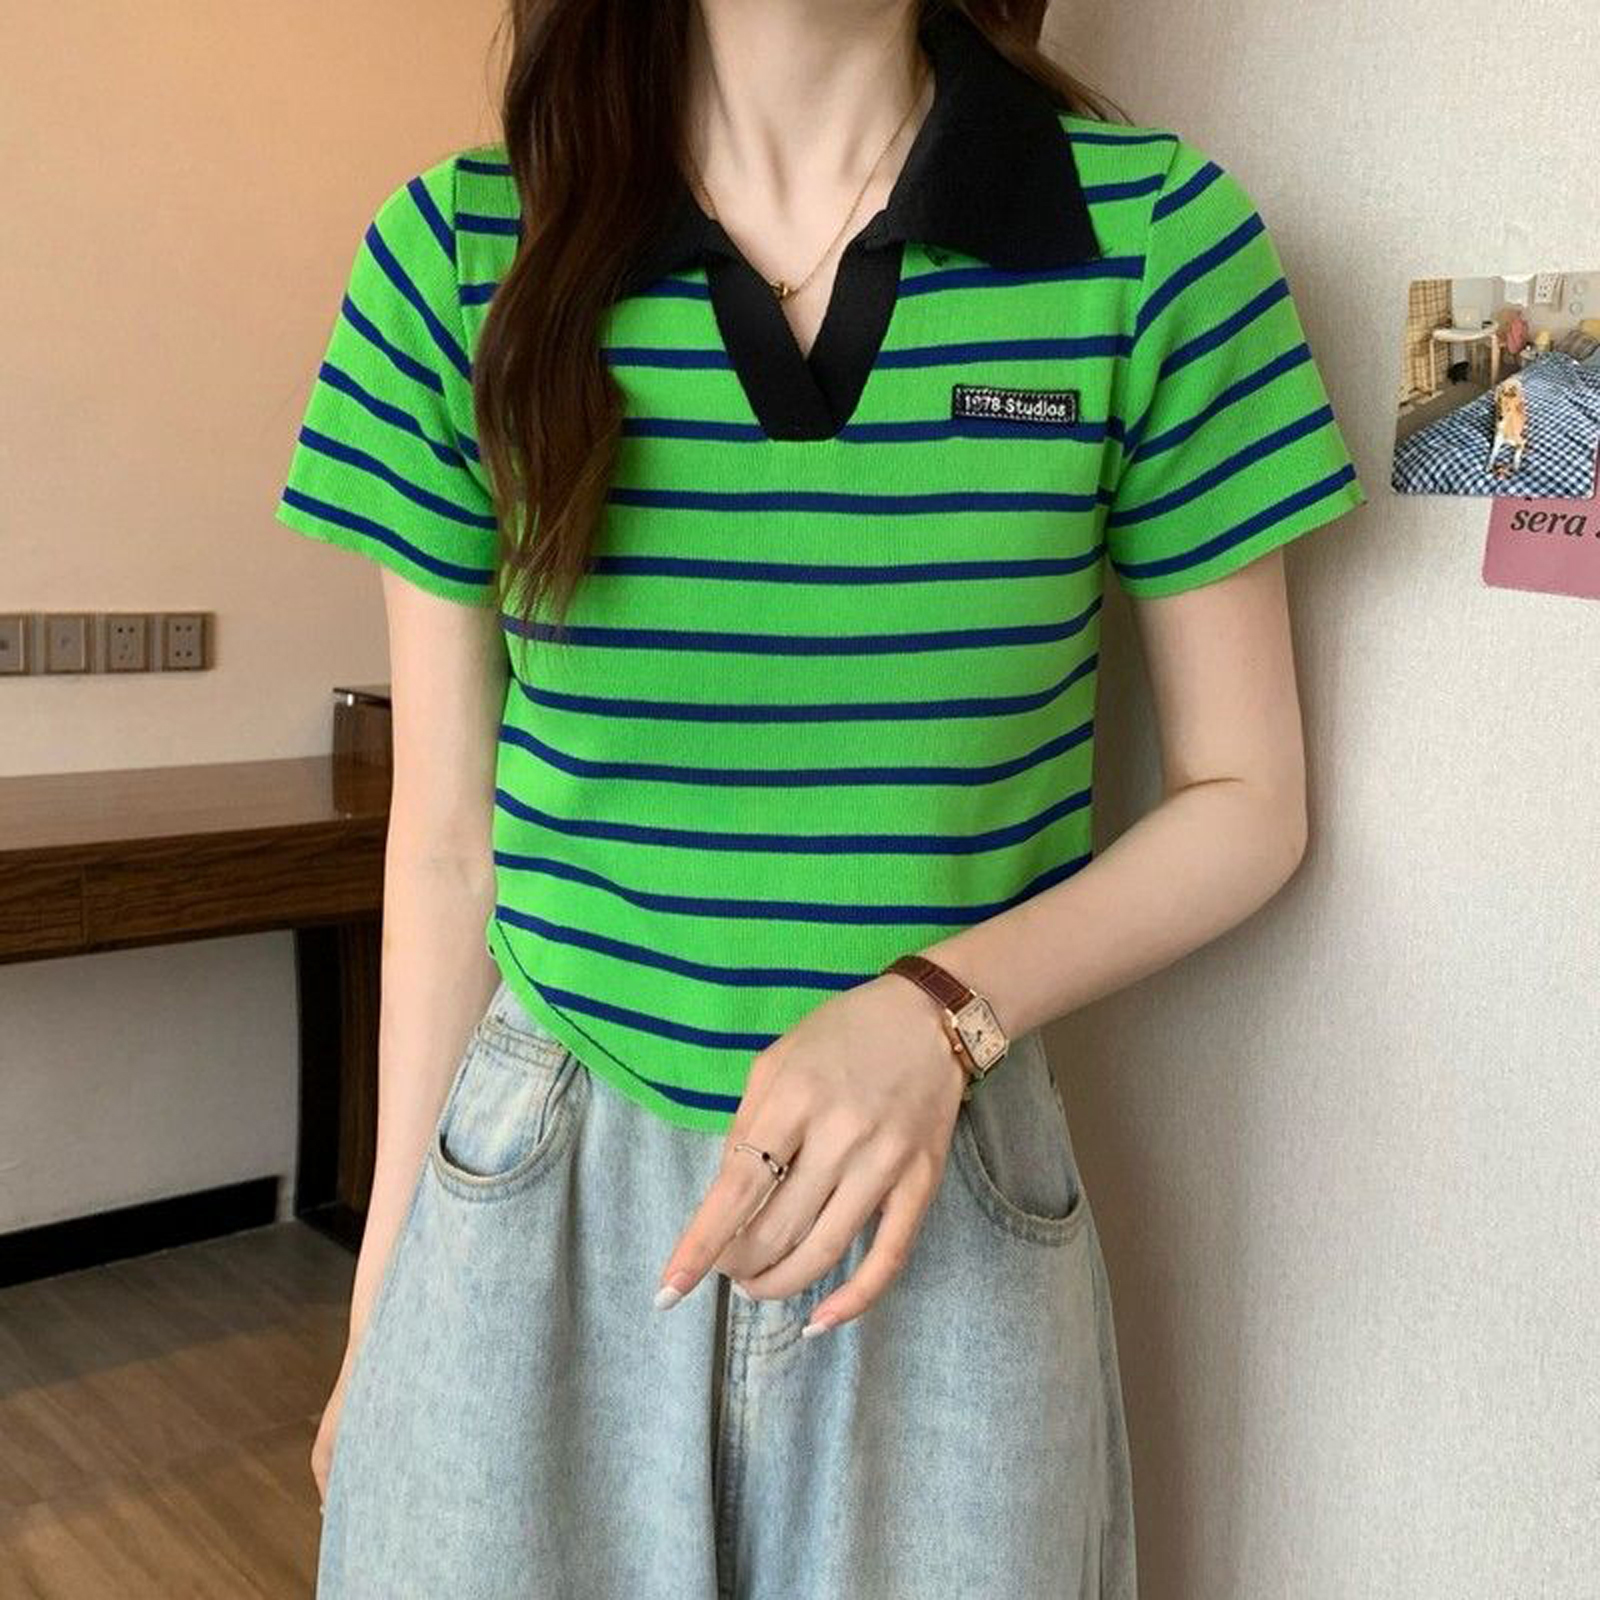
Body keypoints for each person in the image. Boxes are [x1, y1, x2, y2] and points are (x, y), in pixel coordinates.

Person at [273, 1, 1366, 1595]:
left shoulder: (1156, 244)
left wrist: (940, 1013)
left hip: (945, 1177)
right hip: (539, 1178)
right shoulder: (455, 254)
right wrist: (386, 1295)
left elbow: (1250, 794)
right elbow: (449, 846)